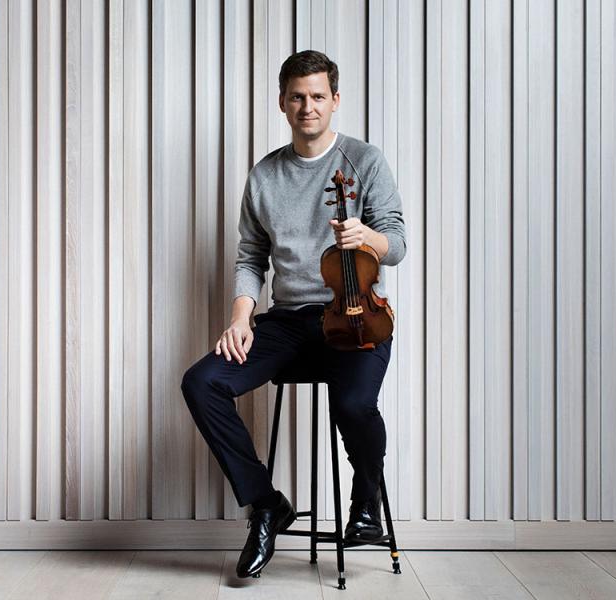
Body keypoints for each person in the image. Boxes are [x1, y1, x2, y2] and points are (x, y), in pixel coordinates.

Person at [180, 50, 407, 579]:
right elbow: (250, 258)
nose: (309, 106)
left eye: (318, 96)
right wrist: (241, 317)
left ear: (335, 100)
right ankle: (265, 505)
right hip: (286, 321)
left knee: (353, 404)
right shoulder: (265, 175)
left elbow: (395, 242)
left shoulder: (364, 161)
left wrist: (366, 236)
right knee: (202, 381)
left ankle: (366, 496)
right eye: (298, 97)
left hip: (354, 314)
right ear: (283, 103)